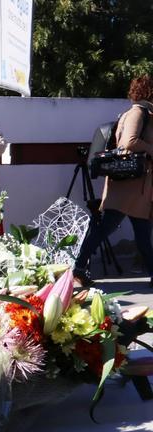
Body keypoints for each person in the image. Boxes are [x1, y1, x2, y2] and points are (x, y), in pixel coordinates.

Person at [75, 75, 153, 287]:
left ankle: (79, 268)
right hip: (129, 186)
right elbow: (129, 141)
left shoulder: (142, 112)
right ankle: (78, 268)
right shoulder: (138, 112)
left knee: (141, 233)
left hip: (133, 187)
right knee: (106, 229)